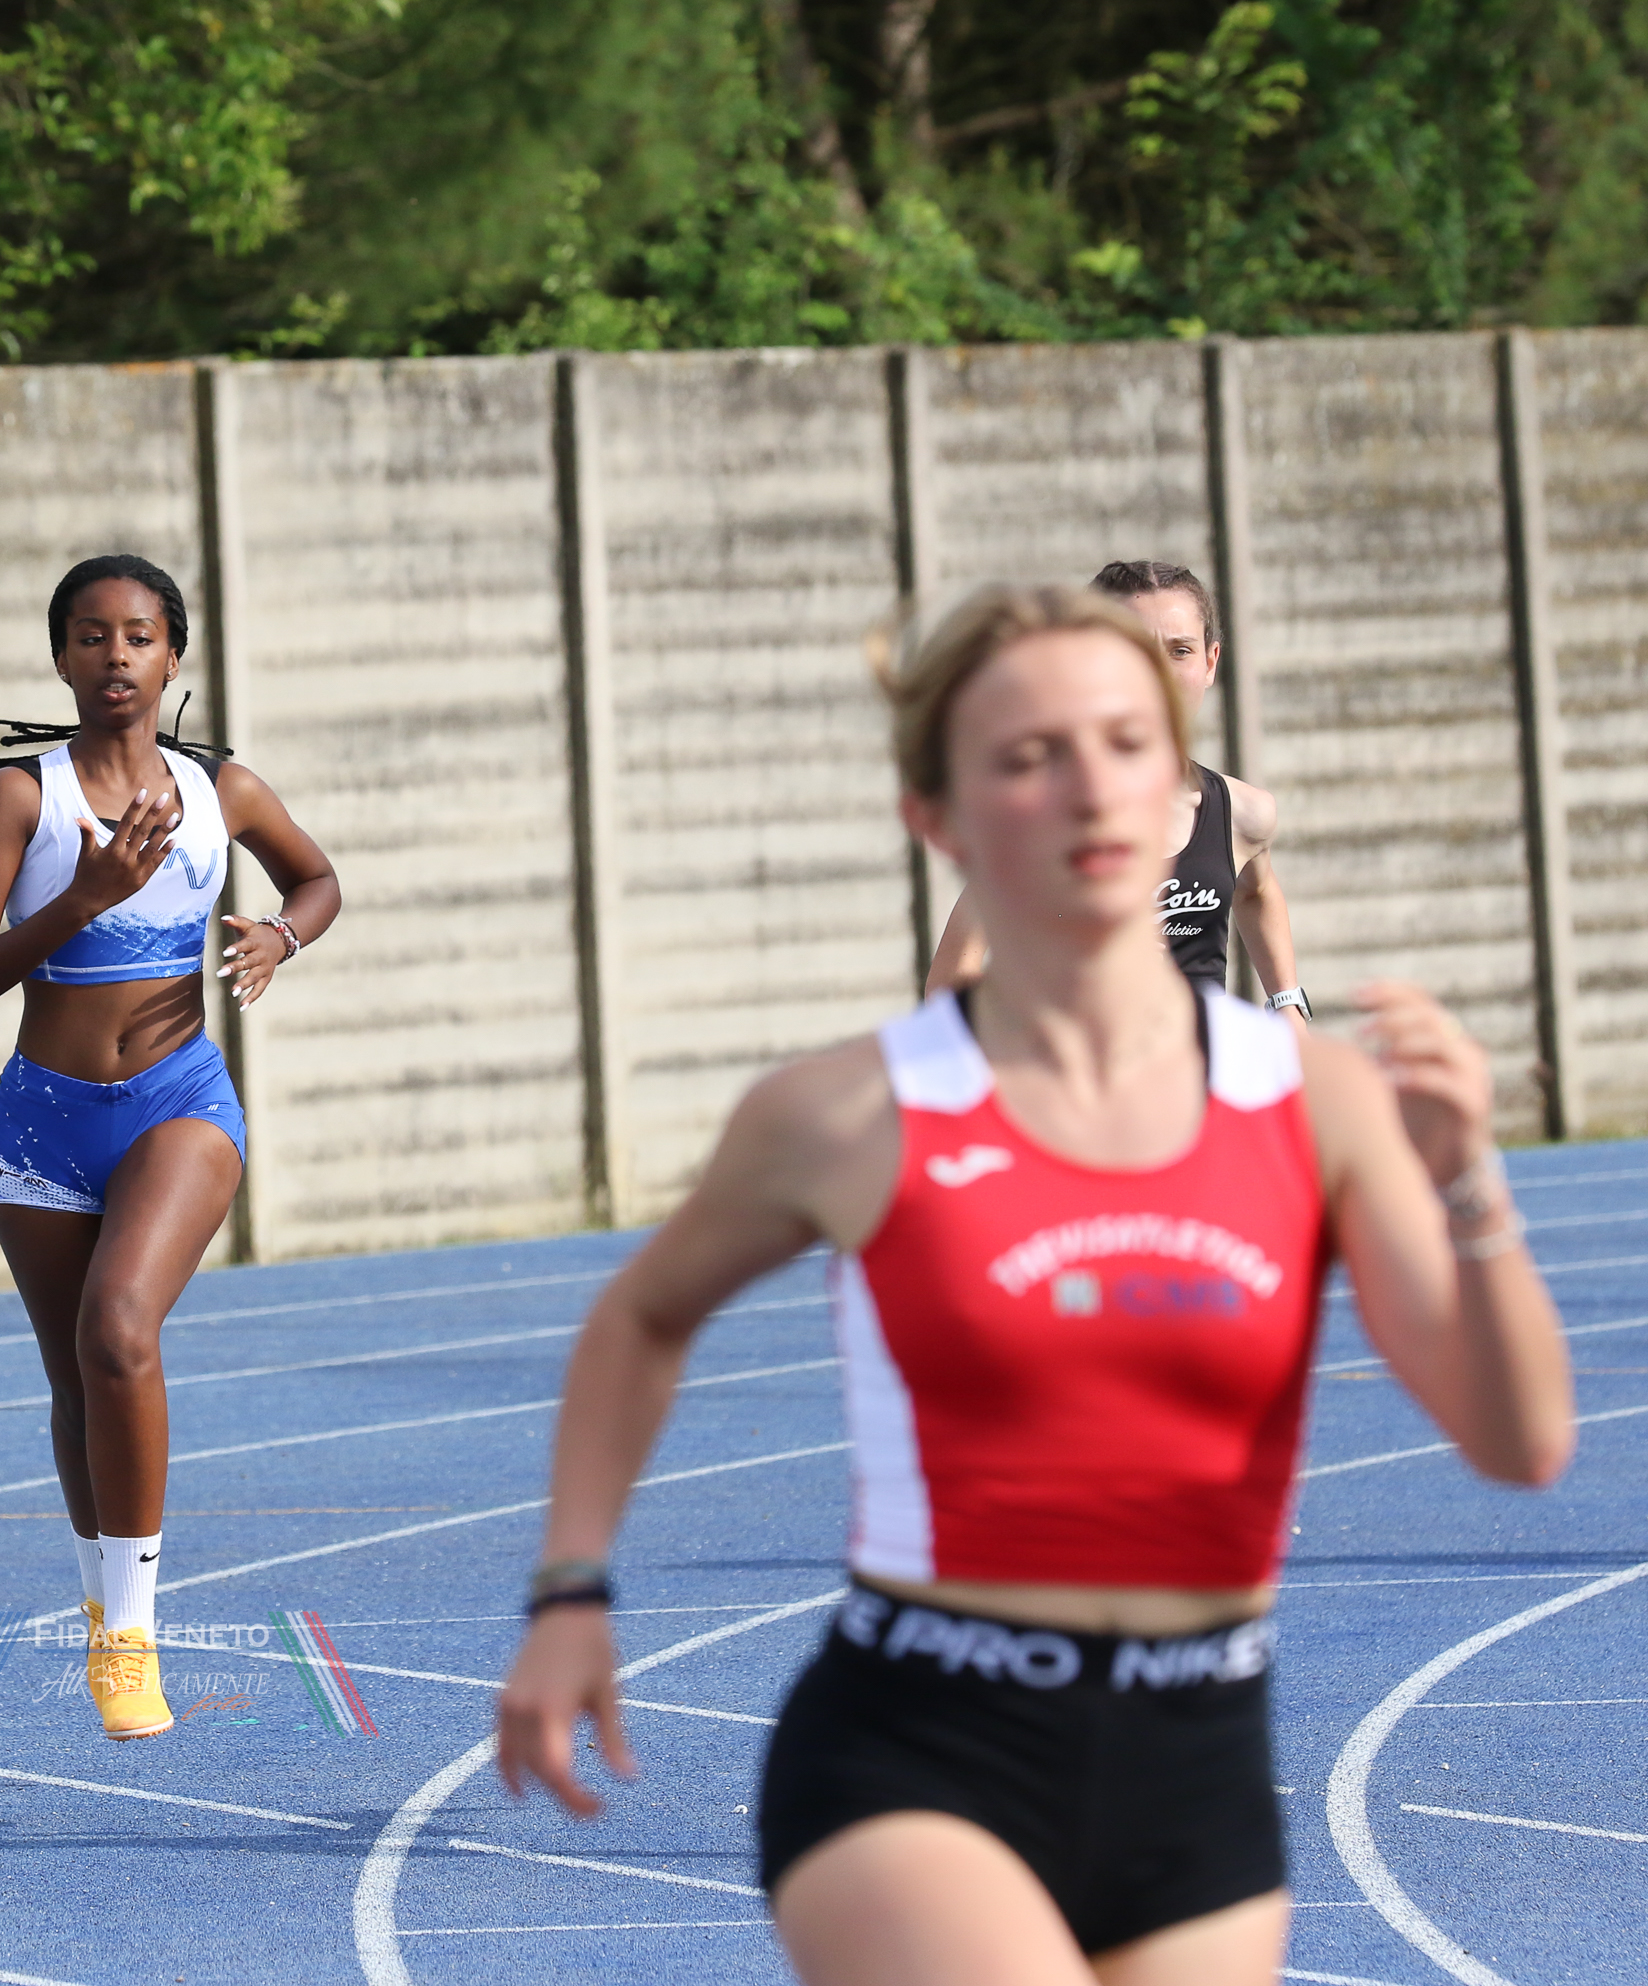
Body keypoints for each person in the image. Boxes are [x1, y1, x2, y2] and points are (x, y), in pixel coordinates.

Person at [497, 584, 1574, 1985]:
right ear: (937, 815)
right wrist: (571, 1587)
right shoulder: (852, 1111)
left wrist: (1470, 1183)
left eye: (1126, 742)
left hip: (1198, 1771)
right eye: (1027, 756)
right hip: (918, 1753)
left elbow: (1520, 1441)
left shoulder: (1315, 1099)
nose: (1089, 787)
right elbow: (644, 1313)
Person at [0, 555, 340, 1740]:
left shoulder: (223, 790)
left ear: (174, 655)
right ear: (61, 655)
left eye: (140, 635)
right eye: (92, 634)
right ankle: (100, 1600)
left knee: (119, 1328)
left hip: (177, 1102)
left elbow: (317, 878)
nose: (116, 654)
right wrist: (84, 895)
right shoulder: (20, 799)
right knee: (77, 1376)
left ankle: (130, 1633)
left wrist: (280, 936)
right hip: (41, 1124)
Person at [926, 561, 1309, 1030]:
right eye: (1135, 650)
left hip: (1201, 1073)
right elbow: (953, 974)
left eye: (1180, 651)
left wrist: (1286, 1003)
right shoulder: (1040, 819)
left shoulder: (1244, 814)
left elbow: (1257, 890)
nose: (1160, 673)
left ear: (1210, 662)